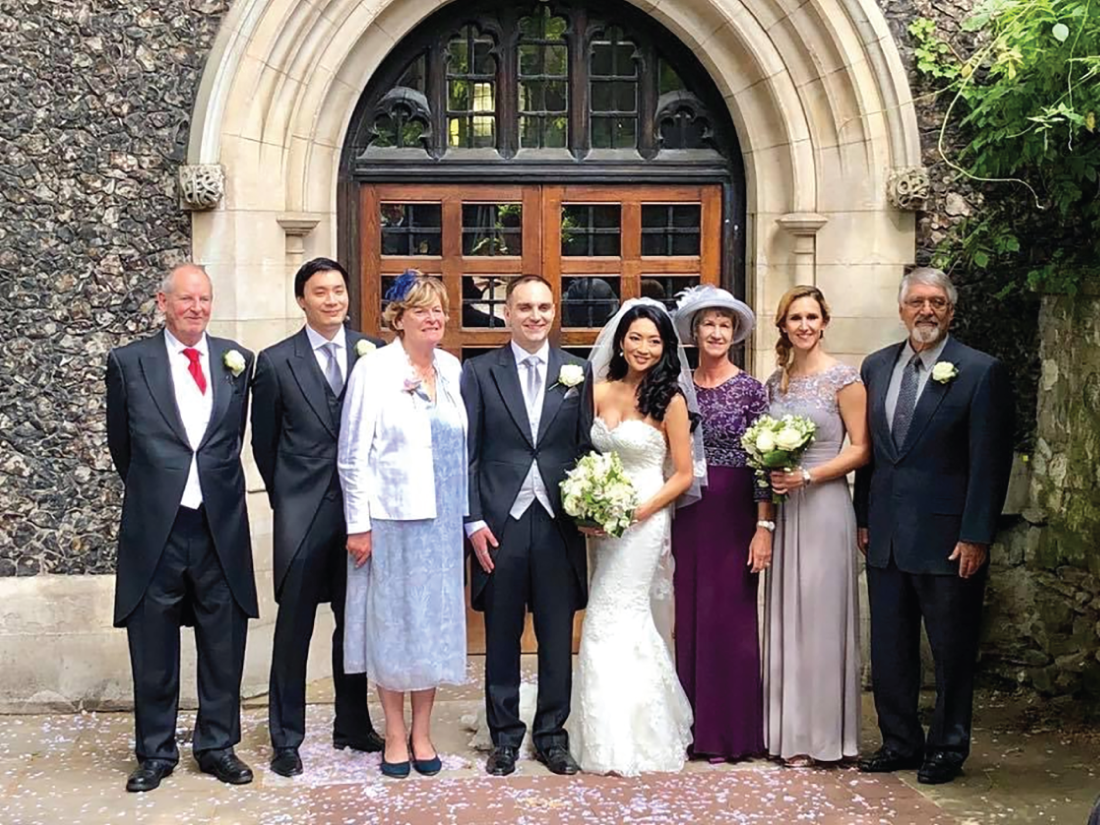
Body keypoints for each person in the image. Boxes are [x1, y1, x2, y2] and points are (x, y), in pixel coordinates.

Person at [856, 268, 1013, 785]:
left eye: (937, 303)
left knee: (950, 649)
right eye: (917, 302)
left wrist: (976, 534)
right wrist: (863, 519)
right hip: (886, 534)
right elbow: (872, 456)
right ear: (901, 309)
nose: (926, 311)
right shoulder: (876, 366)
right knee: (890, 647)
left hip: (949, 538)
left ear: (951, 311)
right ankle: (900, 740)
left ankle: (947, 746)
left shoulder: (979, 370)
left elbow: (990, 463)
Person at [105, 263, 257, 792]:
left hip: (219, 524)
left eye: (205, 300)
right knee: (153, 644)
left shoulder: (237, 362)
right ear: (163, 302)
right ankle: (154, 752)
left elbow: (231, 440)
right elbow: (122, 447)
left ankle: (217, 745)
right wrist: (162, 488)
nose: (196, 308)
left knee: (223, 641)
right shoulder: (128, 363)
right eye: (186, 299)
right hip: (157, 525)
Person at [250, 257, 386, 778]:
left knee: (352, 624)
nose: (332, 300)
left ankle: (351, 722)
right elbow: (265, 442)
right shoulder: (276, 361)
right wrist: (289, 496)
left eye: (338, 290)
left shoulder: (372, 353)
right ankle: (286, 736)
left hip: (361, 512)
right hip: (303, 512)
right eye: (320, 292)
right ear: (301, 300)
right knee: (295, 626)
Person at [462, 275, 592, 778]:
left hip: (558, 521)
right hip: (500, 523)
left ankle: (552, 736)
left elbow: (583, 448)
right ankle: (504, 738)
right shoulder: (479, 372)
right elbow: (468, 454)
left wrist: (592, 504)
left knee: (558, 635)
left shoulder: (577, 372)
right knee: (501, 635)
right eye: (524, 307)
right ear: (509, 313)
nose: (534, 316)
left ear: (553, 312)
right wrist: (472, 521)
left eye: (543, 307)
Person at [338, 271, 467, 779]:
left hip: (441, 522)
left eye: (438, 309)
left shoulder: (453, 369)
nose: (432, 318)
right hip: (390, 519)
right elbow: (352, 455)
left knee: (431, 627)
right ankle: (393, 732)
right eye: (421, 310)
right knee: (394, 628)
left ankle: (422, 731)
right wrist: (358, 524)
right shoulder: (375, 370)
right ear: (399, 317)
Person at [570, 298, 705, 776]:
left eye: (654, 340)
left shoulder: (670, 399)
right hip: (602, 521)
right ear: (620, 342)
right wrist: (589, 505)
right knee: (605, 612)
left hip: (645, 519)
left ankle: (631, 735)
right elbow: (584, 453)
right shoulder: (599, 389)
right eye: (636, 338)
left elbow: (684, 474)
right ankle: (597, 724)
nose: (644, 348)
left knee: (613, 612)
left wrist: (634, 513)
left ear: (665, 347)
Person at [763, 285, 869, 768]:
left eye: (811, 317)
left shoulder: (845, 379)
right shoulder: (775, 384)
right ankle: (792, 735)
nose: (803, 325)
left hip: (826, 505)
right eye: (794, 318)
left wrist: (808, 474)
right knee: (789, 618)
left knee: (824, 620)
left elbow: (860, 448)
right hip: (788, 511)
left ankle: (828, 736)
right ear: (783, 325)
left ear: (824, 321)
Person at [670, 286, 773, 763]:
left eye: (724, 325)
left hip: (735, 514)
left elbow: (764, 464)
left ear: (734, 334)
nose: (715, 332)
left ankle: (730, 733)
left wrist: (763, 526)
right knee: (689, 617)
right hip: (687, 509)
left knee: (730, 620)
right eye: (708, 323)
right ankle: (692, 730)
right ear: (694, 331)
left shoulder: (753, 390)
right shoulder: (676, 385)